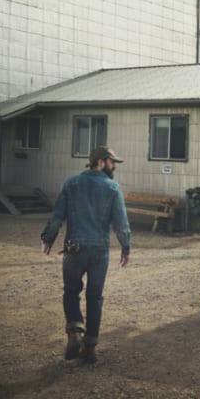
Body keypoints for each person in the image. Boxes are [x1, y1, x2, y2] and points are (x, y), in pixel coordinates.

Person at [41, 146, 131, 364]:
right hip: (100, 251)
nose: (114, 166)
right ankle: (90, 348)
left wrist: (48, 239)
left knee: (71, 292)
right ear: (100, 162)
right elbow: (121, 223)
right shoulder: (112, 188)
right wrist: (126, 247)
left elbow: (57, 216)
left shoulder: (71, 184)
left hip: (75, 248)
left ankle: (74, 332)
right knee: (95, 296)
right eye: (112, 162)